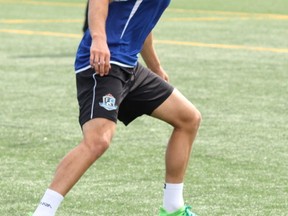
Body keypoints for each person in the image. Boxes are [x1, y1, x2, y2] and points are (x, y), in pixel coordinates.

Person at [30, 0, 201, 215]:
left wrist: (155, 66)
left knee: (188, 119)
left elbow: (142, 21)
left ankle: (173, 208)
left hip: (129, 67)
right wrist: (99, 40)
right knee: (98, 140)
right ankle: (43, 212)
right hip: (104, 63)